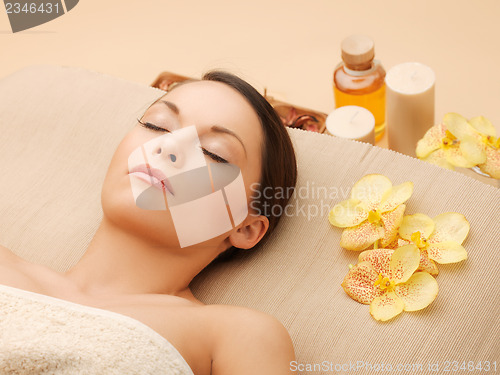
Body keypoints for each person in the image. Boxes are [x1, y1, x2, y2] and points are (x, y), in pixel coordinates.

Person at [0, 71, 298, 374]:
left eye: (213, 153)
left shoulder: (233, 335)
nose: (168, 147)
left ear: (245, 228)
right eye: (156, 125)